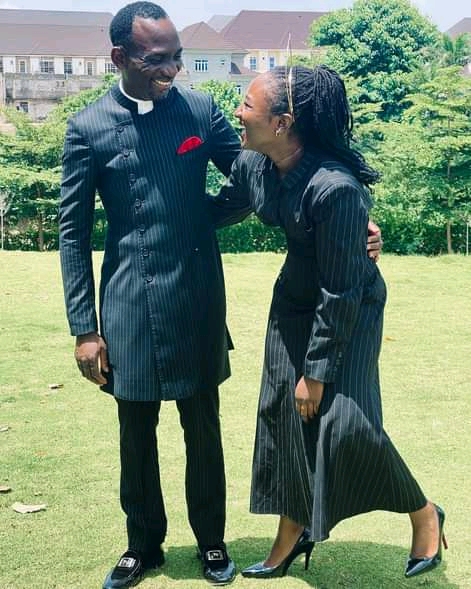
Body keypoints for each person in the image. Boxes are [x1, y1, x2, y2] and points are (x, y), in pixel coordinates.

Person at [211, 65, 446, 580]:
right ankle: (292, 531)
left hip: (348, 308)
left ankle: (424, 513)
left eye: (247, 105)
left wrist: (315, 373)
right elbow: (220, 209)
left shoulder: (335, 187)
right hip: (292, 301)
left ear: (282, 122)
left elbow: (341, 290)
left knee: (346, 424)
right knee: (285, 416)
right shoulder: (255, 165)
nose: (238, 113)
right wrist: (154, 216)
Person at [58, 2, 243, 587]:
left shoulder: (200, 110)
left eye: (177, 57)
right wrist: (85, 328)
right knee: (135, 433)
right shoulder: (87, 127)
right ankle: (142, 546)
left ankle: (211, 541)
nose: (172, 70)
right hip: (127, 303)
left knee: (203, 427)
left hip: (196, 296)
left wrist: (202, 218)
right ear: (120, 57)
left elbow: (252, 176)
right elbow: (72, 234)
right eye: (157, 60)